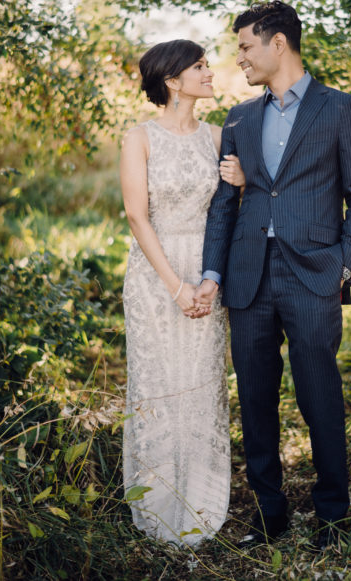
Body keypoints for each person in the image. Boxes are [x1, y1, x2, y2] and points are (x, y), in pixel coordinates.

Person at [193, 0, 351, 550]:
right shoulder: (240, 118)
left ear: (279, 44)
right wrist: (212, 271)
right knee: (254, 398)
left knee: (319, 394)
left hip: (315, 273)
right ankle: (269, 516)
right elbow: (224, 205)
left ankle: (332, 516)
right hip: (247, 274)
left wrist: (345, 264)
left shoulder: (342, 109)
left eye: (246, 46)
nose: (239, 58)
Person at [120, 39, 246, 546]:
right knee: (156, 382)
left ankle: (201, 499)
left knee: (201, 384)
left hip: (208, 271)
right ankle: (154, 502)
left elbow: (230, 208)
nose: (211, 72)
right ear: (173, 81)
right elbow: (136, 214)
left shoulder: (218, 136)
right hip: (156, 274)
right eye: (200, 66)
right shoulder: (139, 137)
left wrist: (241, 180)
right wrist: (175, 286)